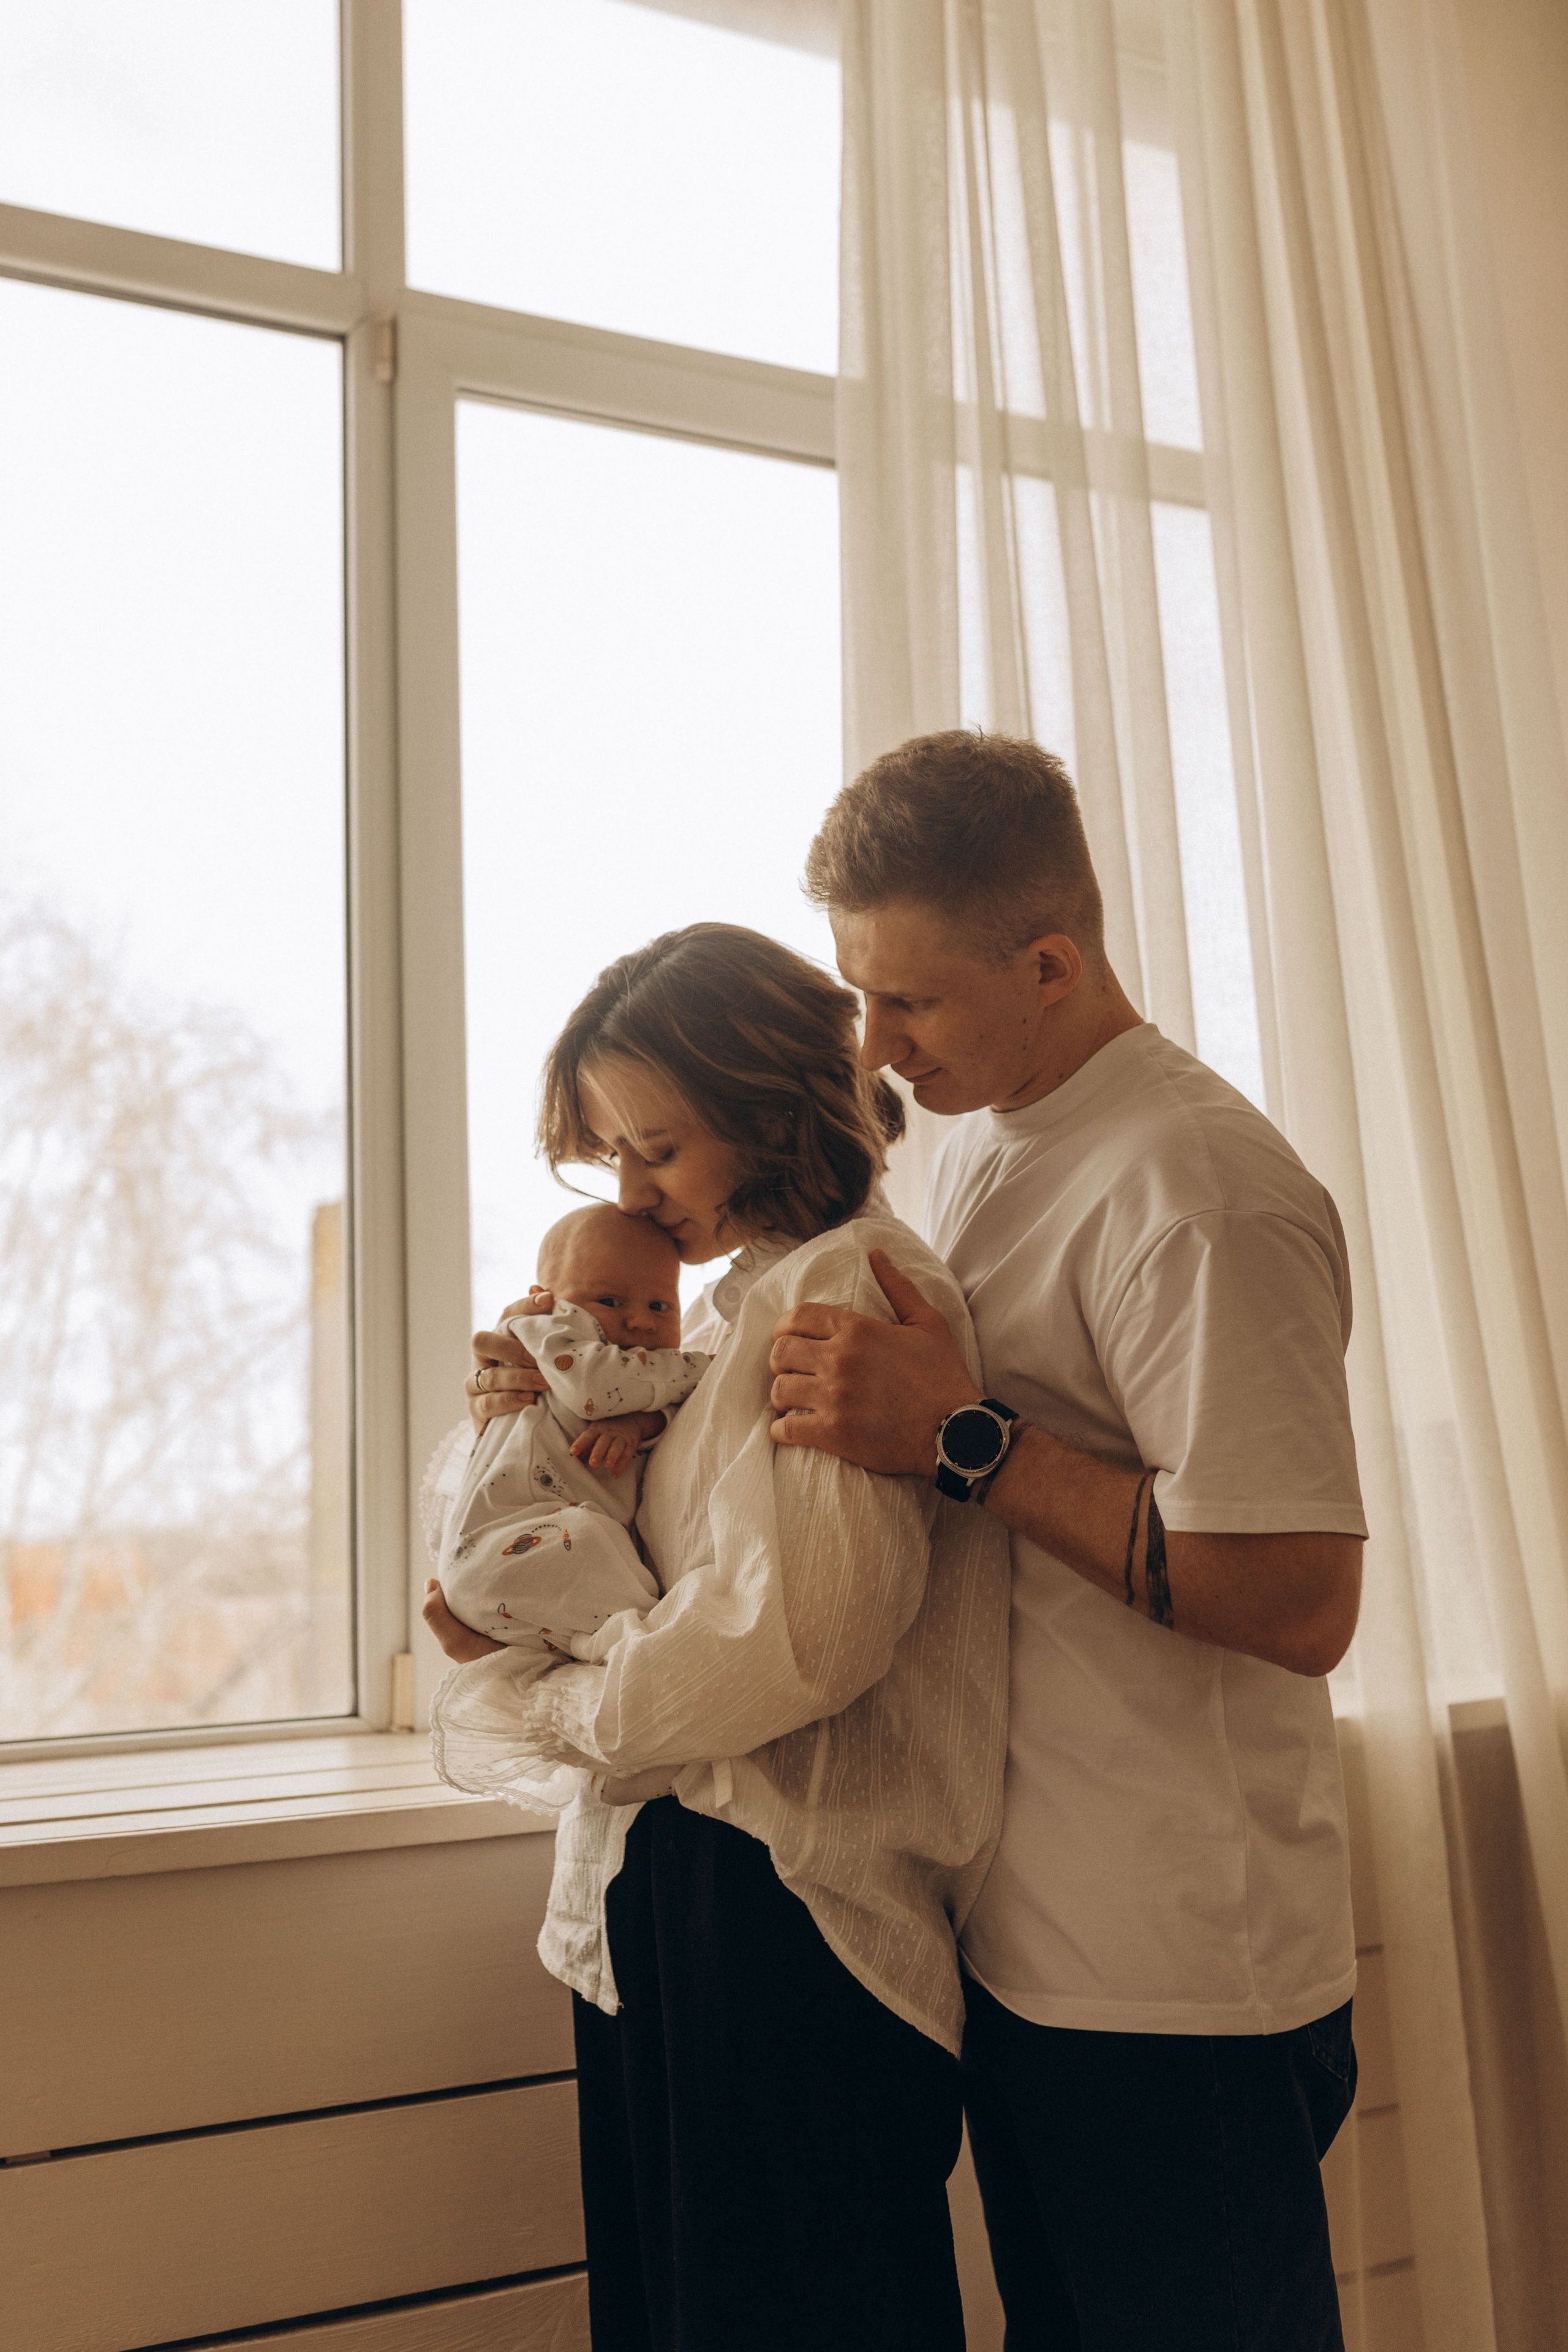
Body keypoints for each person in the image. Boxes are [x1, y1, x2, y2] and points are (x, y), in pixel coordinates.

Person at [767, 731, 1368, 2352]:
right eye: (858, 996)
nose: (877, 1048)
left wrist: (959, 1436)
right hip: (1027, 1952)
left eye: (912, 1002)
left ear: (1051, 960)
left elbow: (1303, 1596)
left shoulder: (1195, 1188)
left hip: (1178, 1980)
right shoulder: (980, 1141)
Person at [420, 922, 1012, 2352]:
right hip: (674, 1880)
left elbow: (796, 1634)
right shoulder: (730, 1312)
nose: (631, 1193)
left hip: (784, 1908)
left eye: (657, 1150)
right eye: (610, 1155)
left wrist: (552, 1704)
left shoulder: (848, 1291)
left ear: (765, 1107)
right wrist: (529, 1418)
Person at [424, 1204, 709, 1659]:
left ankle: (600, 1652)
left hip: (535, 1579)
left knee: (595, 1565)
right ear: (547, 1299)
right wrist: (706, 1366)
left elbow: (654, 1413)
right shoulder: (541, 1330)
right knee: (592, 1542)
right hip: (500, 1550)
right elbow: (593, 1390)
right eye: (610, 1302)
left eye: (660, 1305)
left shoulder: (641, 1389)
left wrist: (640, 1424)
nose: (640, 1322)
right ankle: (658, 1643)